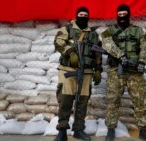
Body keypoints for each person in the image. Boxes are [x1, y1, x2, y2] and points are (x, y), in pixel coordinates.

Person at [101, 4, 146, 141]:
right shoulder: (109, 31)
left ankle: (143, 131)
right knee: (112, 101)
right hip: (115, 71)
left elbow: (145, 48)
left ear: (129, 15)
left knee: (139, 101)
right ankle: (111, 129)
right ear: (117, 16)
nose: (122, 17)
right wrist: (120, 56)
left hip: (134, 72)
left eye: (125, 14)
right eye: (120, 14)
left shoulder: (139, 31)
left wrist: (142, 62)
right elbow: (106, 43)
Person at [53, 7, 102, 141]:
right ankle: (62, 130)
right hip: (68, 70)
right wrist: (70, 52)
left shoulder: (93, 34)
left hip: (86, 72)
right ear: (76, 15)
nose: (83, 17)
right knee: (65, 100)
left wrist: (98, 69)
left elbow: (97, 53)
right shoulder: (67, 29)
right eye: (80, 14)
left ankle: (78, 129)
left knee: (82, 102)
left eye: (85, 15)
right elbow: (58, 43)